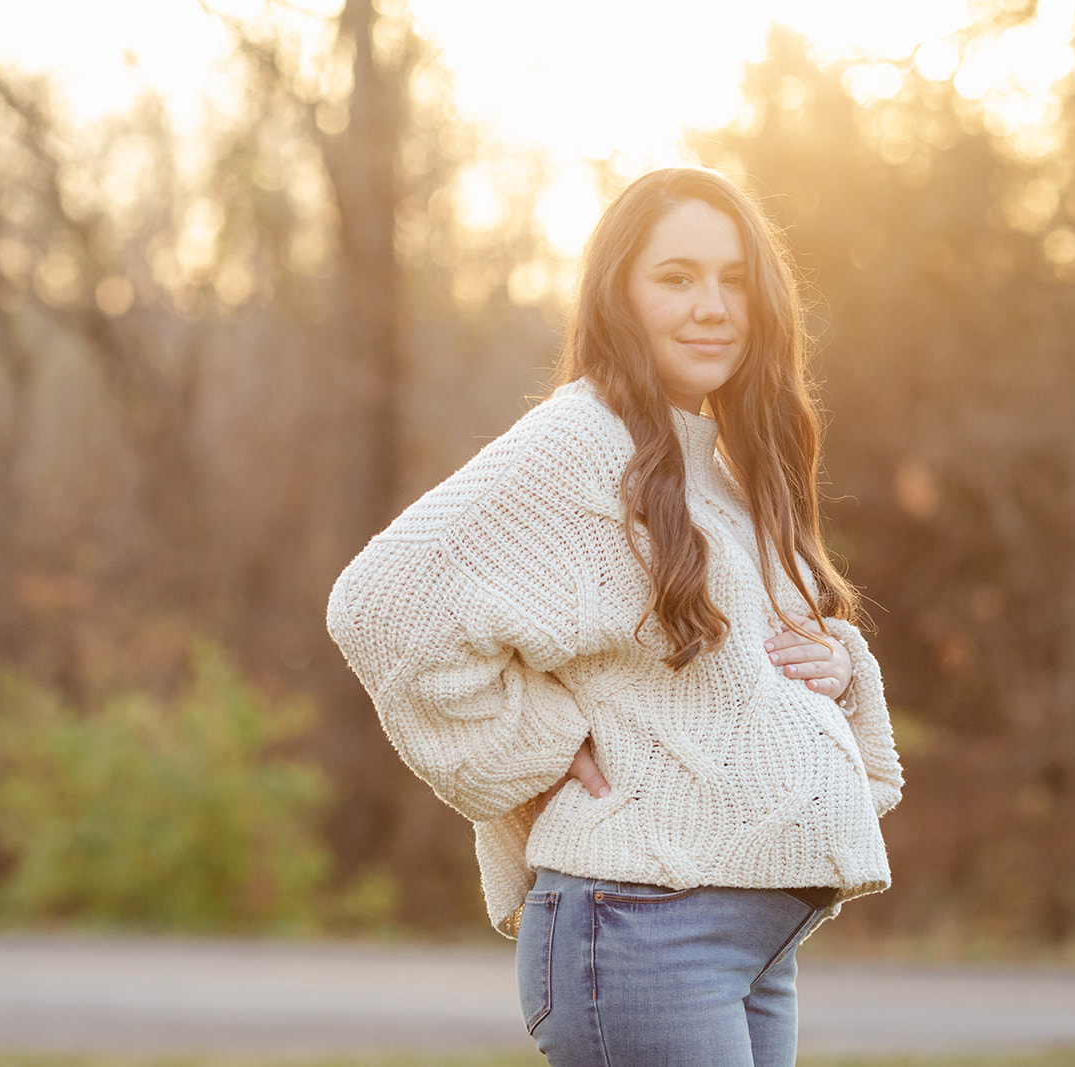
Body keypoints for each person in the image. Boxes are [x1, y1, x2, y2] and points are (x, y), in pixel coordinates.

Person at [326, 166, 902, 1066]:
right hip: (645, 930)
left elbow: (723, 664)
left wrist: (838, 667)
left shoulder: (713, 456)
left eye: (735, 278)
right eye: (676, 278)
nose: (713, 305)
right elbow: (382, 602)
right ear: (619, 296)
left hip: (738, 936)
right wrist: (540, 746)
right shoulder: (581, 442)